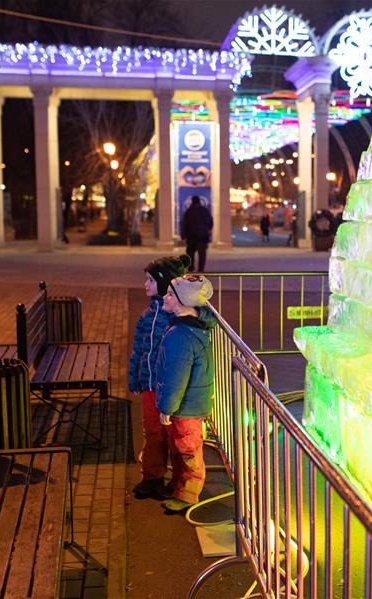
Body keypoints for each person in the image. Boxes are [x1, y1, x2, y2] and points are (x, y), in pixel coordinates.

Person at [128, 254, 191, 500]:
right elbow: (139, 350)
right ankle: (152, 477)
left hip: (169, 389)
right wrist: (135, 378)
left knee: (175, 436)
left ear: (164, 285)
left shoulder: (175, 317)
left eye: (151, 281)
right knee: (152, 433)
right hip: (149, 386)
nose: (145, 285)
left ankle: (178, 481)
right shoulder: (146, 317)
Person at [155, 275, 216, 513]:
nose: (165, 297)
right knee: (182, 447)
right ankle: (181, 487)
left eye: (170, 294)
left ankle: (188, 495)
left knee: (188, 450)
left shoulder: (180, 336)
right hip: (190, 403)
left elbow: (176, 378)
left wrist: (167, 408)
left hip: (185, 406)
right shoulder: (192, 328)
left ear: (181, 302)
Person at [180, 196, 213, 272]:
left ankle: (191, 268)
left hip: (191, 237)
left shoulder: (188, 211)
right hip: (203, 237)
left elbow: (184, 224)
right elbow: (211, 221)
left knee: (190, 253)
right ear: (199, 201)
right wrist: (208, 230)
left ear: (192, 202)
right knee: (202, 254)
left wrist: (183, 236)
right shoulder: (205, 211)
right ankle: (201, 269)